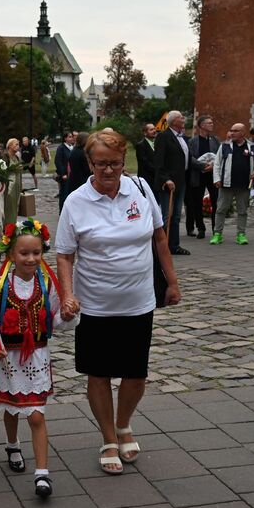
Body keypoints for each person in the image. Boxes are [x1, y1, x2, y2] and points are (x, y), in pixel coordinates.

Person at [55, 130, 180, 476]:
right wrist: (67, 294)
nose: (108, 171)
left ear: (124, 160)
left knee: (135, 373)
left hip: (139, 300)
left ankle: (124, 423)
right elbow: (64, 255)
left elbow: (159, 237)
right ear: (89, 163)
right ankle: (109, 438)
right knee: (99, 372)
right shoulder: (76, 202)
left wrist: (172, 282)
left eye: (114, 163)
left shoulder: (140, 189)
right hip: (95, 303)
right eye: (100, 164)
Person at [0, 219, 77, 497]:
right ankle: (12, 444)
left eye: (36, 253)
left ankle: (42, 475)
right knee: (11, 407)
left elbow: (56, 321)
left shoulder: (47, 284)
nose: (31, 258)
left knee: (35, 415)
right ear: (11, 254)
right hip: (6, 359)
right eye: (24, 253)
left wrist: (68, 314)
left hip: (36, 359)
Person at [210, 123, 254, 245]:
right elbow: (217, 163)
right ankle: (217, 234)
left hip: (244, 184)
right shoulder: (225, 146)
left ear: (243, 133)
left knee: (242, 210)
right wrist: (217, 179)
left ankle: (241, 234)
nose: (232, 133)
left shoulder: (251, 147)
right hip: (226, 183)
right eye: (231, 130)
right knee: (221, 209)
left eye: (235, 131)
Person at [154, 110, 191, 255]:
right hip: (168, 183)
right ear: (174, 121)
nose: (184, 119)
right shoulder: (164, 136)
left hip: (181, 182)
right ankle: (161, 246)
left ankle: (174, 245)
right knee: (166, 215)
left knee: (176, 215)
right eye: (181, 117)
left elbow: (186, 159)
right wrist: (166, 179)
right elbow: (158, 161)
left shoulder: (183, 138)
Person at [186, 115, 220, 239]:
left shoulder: (215, 140)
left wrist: (212, 166)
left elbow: (220, 156)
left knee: (216, 201)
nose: (212, 124)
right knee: (197, 202)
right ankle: (200, 228)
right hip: (198, 175)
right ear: (202, 126)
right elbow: (189, 158)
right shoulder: (192, 141)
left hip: (212, 175)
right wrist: (202, 166)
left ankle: (216, 229)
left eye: (212, 122)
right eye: (209, 123)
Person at [3, 138, 23, 227]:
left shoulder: (17, 157)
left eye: (18, 144)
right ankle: (6, 226)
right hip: (9, 186)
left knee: (15, 206)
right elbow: (2, 171)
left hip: (17, 185)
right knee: (8, 206)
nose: (18, 146)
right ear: (10, 146)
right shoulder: (5, 156)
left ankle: (13, 224)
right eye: (16, 144)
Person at [54, 132, 75, 211]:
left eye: (72, 137)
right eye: (69, 137)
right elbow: (58, 161)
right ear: (65, 138)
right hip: (65, 175)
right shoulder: (61, 148)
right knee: (64, 194)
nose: (71, 138)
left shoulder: (72, 147)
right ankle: (62, 211)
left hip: (72, 175)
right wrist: (62, 174)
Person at [135, 123, 157, 189]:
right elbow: (145, 162)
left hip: (156, 179)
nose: (154, 131)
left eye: (154, 129)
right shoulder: (141, 145)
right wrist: (157, 171)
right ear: (145, 133)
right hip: (147, 179)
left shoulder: (157, 143)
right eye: (151, 129)